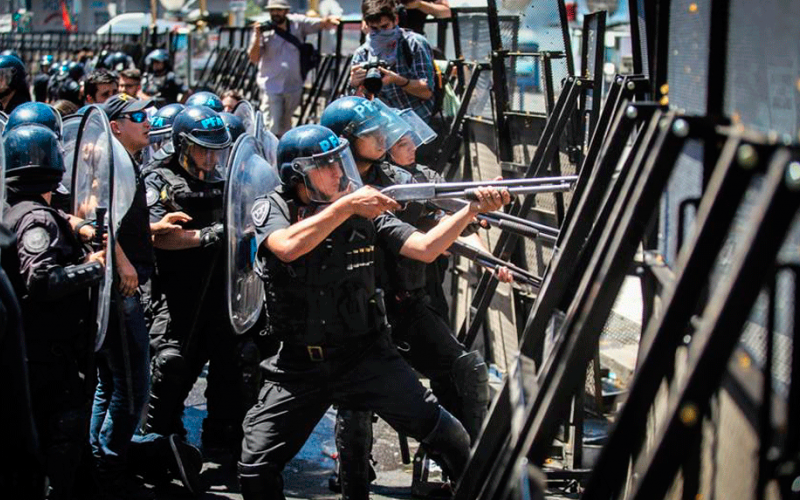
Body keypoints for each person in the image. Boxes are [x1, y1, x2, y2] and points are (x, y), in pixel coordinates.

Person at [237, 122, 511, 498]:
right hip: (301, 363)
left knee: (449, 436)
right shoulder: (274, 207)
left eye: (339, 162)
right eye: (325, 166)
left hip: (366, 353)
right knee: (255, 468)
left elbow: (426, 248)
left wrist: (469, 210)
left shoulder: (363, 206)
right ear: (297, 174)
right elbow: (287, 247)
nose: (338, 173)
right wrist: (347, 206)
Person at [321, 96, 499, 498]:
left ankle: (466, 472)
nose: (383, 137)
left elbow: (435, 207)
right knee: (356, 399)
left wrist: (476, 211)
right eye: (371, 134)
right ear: (346, 140)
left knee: (465, 369)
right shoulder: (332, 185)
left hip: (407, 305)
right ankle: (354, 474)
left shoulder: (398, 175)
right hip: (357, 312)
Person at [88, 94, 190, 500]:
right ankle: (109, 473)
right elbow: (97, 218)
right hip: (119, 285)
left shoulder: (127, 161)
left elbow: (121, 219)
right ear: (115, 126)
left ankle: (97, 460)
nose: (147, 121)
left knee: (110, 382)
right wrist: (124, 261)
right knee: (131, 387)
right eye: (136, 117)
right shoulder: (109, 162)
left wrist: (152, 226)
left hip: (122, 278)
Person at [141, 105, 253, 470]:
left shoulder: (229, 179)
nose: (210, 157)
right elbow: (162, 238)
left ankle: (222, 441)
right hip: (175, 294)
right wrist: (208, 235)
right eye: (202, 148)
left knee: (235, 365)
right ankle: (156, 443)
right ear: (181, 145)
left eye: (216, 149)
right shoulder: (159, 179)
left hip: (221, 293)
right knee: (170, 365)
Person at [2, 124, 106, 500]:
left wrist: (81, 229)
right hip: (47, 354)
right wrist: (94, 267)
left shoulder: (19, 210)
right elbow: (41, 281)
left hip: (34, 349)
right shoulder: (37, 220)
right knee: (61, 437)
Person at [247, 0, 339, 137]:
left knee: (285, 126)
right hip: (271, 85)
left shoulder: (297, 23)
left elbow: (319, 24)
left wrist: (329, 19)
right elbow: (253, 58)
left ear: (286, 11)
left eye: (278, 10)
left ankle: (282, 153)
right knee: (272, 125)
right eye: (272, 10)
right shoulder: (264, 29)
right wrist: (257, 36)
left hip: (293, 85)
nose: (275, 13)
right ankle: (269, 153)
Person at [349, 0, 435, 124]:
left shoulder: (413, 43)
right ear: (366, 25)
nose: (381, 33)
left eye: (385, 27)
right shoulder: (362, 53)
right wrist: (355, 84)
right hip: (383, 123)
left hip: (418, 120)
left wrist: (397, 80)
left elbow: (427, 92)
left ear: (396, 20)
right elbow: (356, 105)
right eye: (374, 28)